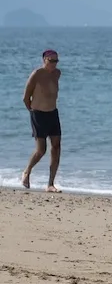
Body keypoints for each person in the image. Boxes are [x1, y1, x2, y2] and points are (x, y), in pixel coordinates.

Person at [22, 49, 62, 192]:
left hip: (53, 113)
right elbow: (26, 98)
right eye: (51, 61)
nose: (54, 64)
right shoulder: (37, 74)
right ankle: (27, 171)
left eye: (56, 61)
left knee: (56, 147)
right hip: (38, 114)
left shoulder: (57, 74)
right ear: (44, 60)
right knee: (41, 150)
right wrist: (33, 112)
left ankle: (50, 184)